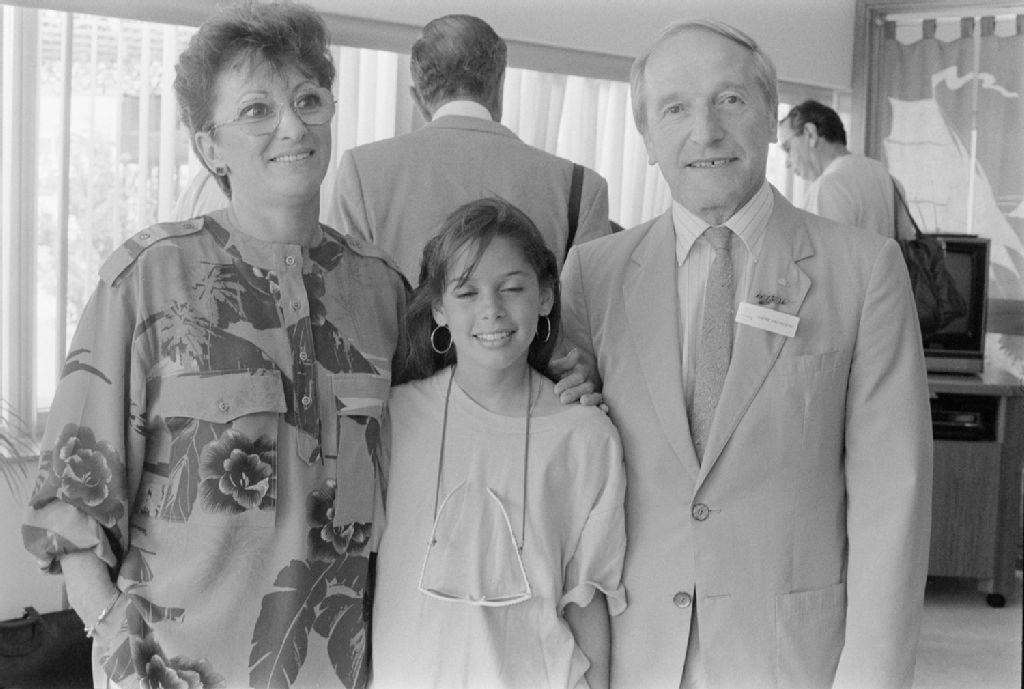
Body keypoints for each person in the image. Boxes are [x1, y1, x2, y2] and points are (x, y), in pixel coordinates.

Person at [21, 4, 407, 688]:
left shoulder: (382, 291)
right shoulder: (147, 278)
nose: (293, 126)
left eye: (309, 100)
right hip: (170, 672)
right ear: (209, 147)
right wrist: (112, 629)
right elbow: (72, 501)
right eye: (257, 110)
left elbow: (452, 424)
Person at [559, 19, 933, 689]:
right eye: (675, 108)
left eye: (729, 100)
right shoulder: (593, 275)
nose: (705, 131)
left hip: (793, 658)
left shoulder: (864, 271)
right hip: (631, 654)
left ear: (769, 114)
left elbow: (891, 501)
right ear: (646, 136)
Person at [373, 198, 626, 689]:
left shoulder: (586, 435)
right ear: (439, 308)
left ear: (545, 297)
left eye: (512, 288)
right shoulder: (395, 418)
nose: (491, 309)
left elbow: (587, 599)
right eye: (467, 292)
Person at [324, 14, 612, 285]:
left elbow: (342, 295)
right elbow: (592, 311)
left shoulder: (362, 171)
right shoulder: (579, 187)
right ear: (500, 84)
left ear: (418, 97)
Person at [779, 99, 906, 238]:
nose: (787, 163)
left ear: (810, 134)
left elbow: (823, 251)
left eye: (788, 148)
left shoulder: (827, 187)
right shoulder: (885, 176)